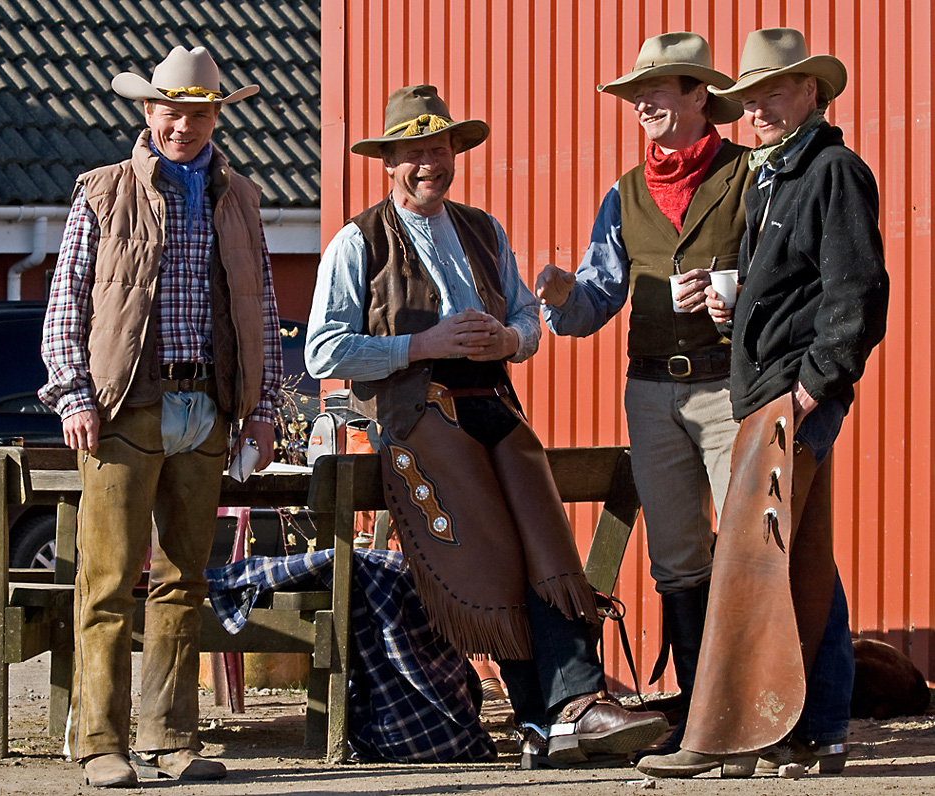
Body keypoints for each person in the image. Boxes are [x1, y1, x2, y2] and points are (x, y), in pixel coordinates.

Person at [305, 84, 668, 768]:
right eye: (414, 154)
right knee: (497, 546)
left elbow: (532, 321)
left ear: (453, 153)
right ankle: (557, 712)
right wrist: (423, 344)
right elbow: (323, 350)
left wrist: (508, 340)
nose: (428, 165)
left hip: (493, 403)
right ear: (389, 162)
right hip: (416, 415)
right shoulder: (358, 241)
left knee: (546, 541)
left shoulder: (483, 228)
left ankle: (567, 711)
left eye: (438, 150)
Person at [637, 28, 888, 778]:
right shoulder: (777, 174)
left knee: (756, 564)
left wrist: (817, 383)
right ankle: (814, 729)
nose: (757, 108)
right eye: (749, 97)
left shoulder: (833, 170)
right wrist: (732, 302)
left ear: (814, 91)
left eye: (773, 92)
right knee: (799, 561)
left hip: (792, 395)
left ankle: (727, 733)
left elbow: (858, 293)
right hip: (768, 391)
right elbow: (796, 287)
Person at [39, 46, 282, 788]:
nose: (184, 123)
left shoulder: (238, 198)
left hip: (207, 409)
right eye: (171, 109)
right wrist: (74, 394)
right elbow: (64, 307)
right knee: (108, 582)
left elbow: (264, 311)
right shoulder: (103, 191)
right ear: (148, 112)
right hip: (122, 408)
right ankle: (99, 743)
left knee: (185, 582)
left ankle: (170, 739)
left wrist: (264, 408)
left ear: (217, 116)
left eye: (199, 110)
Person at [535, 32, 752, 754]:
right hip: (653, 393)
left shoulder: (749, 177)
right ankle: (698, 715)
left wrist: (739, 296)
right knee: (678, 558)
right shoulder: (625, 194)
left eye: (658, 90)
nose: (643, 104)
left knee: (754, 547)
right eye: (636, 94)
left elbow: (784, 279)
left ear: (700, 96)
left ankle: (758, 713)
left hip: (733, 390)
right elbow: (595, 299)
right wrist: (563, 295)